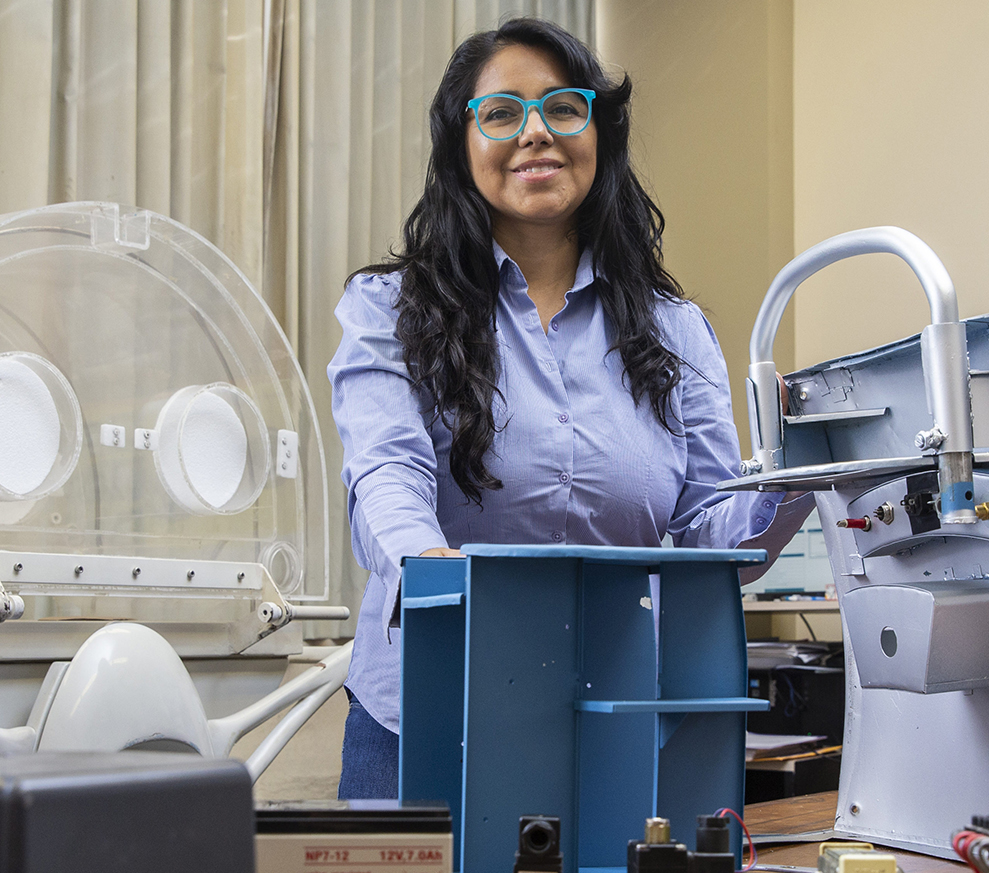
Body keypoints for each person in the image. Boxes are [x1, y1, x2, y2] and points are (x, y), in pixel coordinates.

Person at [327, 18, 812, 797]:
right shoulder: (389, 308)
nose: (534, 133)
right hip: (426, 716)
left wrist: (800, 473)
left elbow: (710, 532)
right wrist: (438, 573)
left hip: (617, 720)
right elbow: (386, 474)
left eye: (562, 107)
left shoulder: (675, 330)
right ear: (462, 144)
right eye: (501, 113)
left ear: (598, 131)